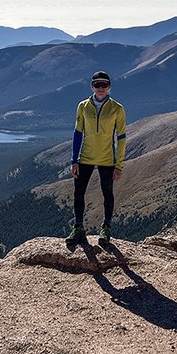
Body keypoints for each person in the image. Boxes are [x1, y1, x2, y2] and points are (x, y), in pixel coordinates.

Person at [67, 71, 126, 247]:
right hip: (85, 157)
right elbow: (78, 134)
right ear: (91, 86)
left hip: (107, 159)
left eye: (104, 85)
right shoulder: (83, 106)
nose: (101, 88)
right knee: (78, 193)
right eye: (97, 85)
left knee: (107, 193)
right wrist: (74, 160)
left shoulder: (117, 108)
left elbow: (121, 137)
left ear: (109, 87)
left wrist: (119, 165)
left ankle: (106, 228)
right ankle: (78, 227)